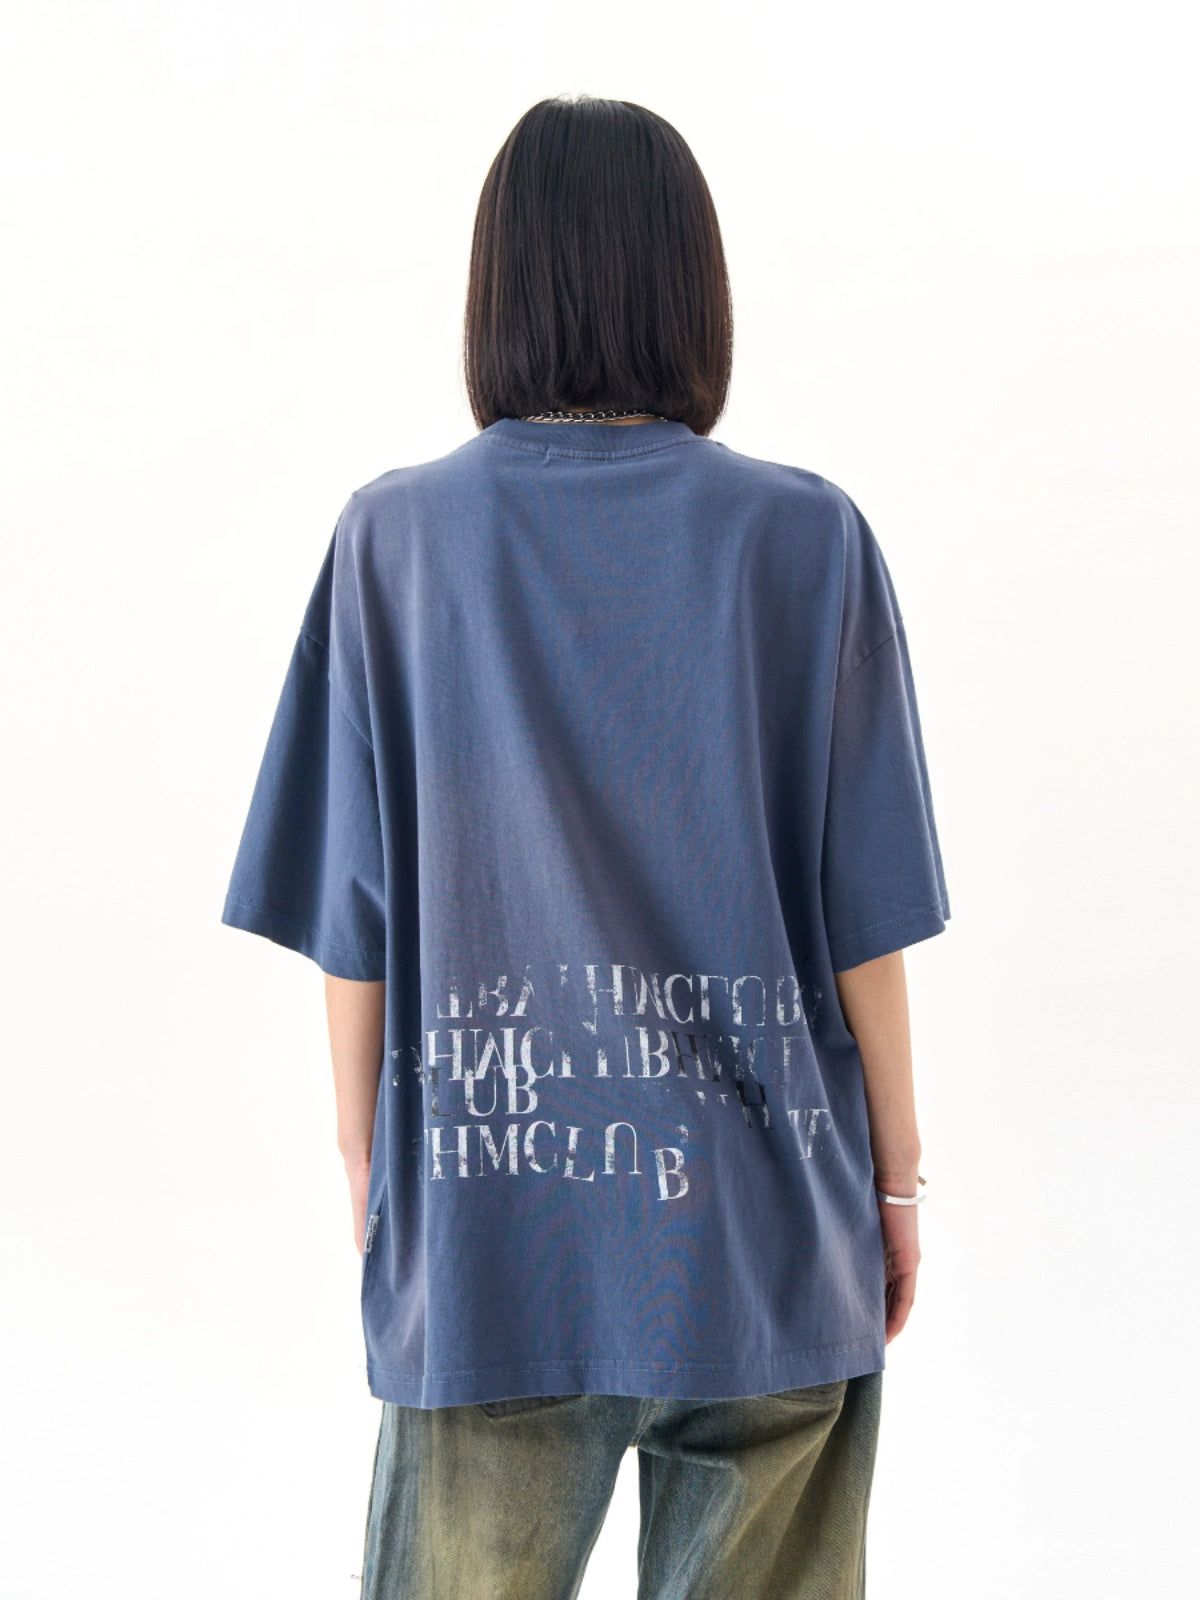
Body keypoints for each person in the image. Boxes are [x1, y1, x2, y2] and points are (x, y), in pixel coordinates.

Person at [221, 93, 951, 1600]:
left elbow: (356, 919)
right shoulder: (806, 539)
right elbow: (863, 922)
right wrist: (899, 1181)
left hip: (494, 1230)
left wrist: (372, 1167)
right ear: (693, 285)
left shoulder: (397, 543)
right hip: (765, 1236)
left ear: (499, 288)